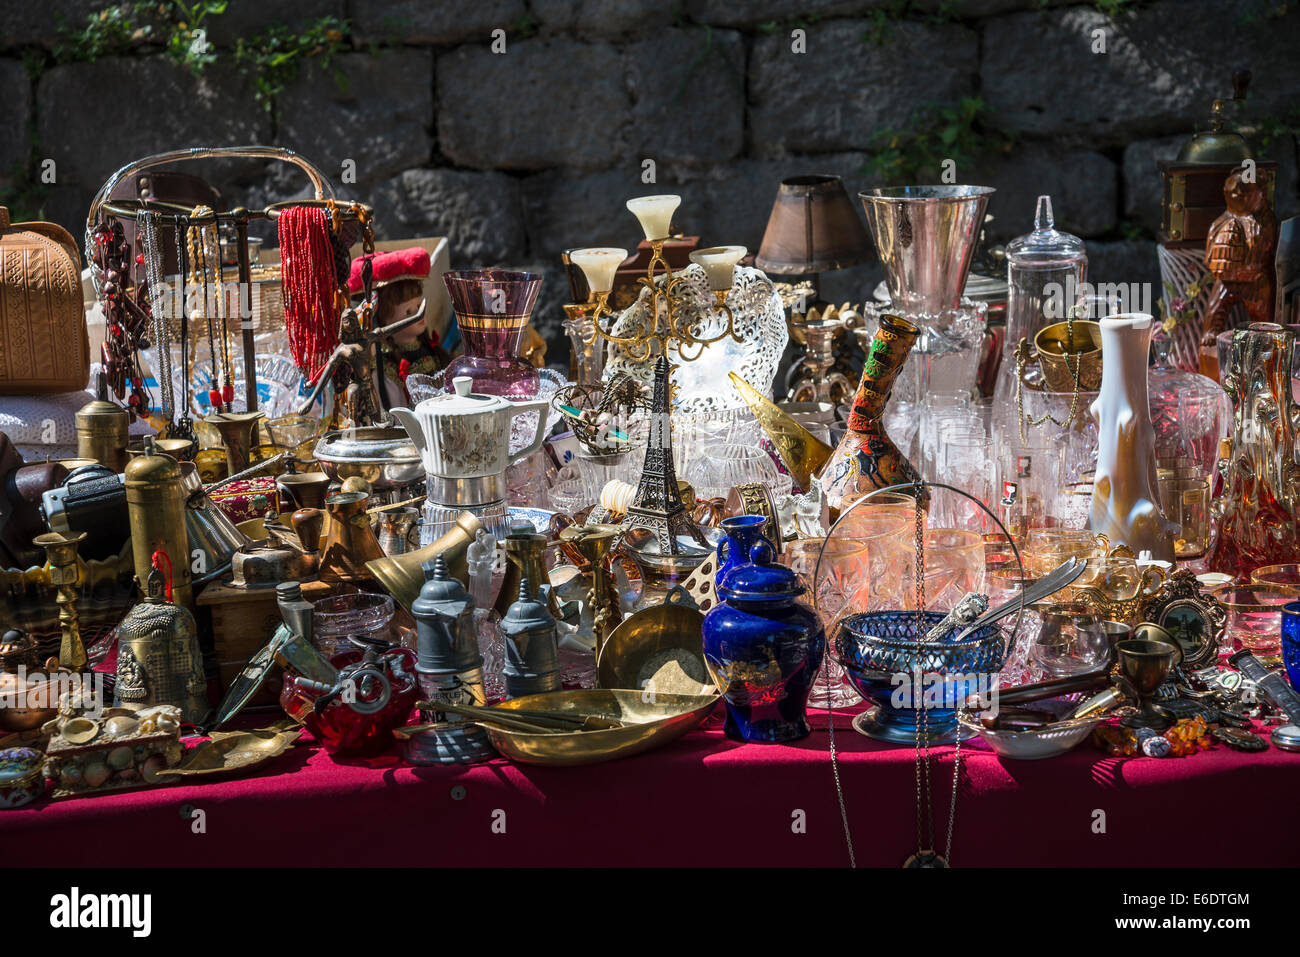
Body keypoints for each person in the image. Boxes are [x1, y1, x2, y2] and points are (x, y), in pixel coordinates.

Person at [346, 247, 449, 405]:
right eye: (408, 311)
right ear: (385, 321)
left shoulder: (429, 350)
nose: (417, 314)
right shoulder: (387, 369)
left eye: (418, 306)